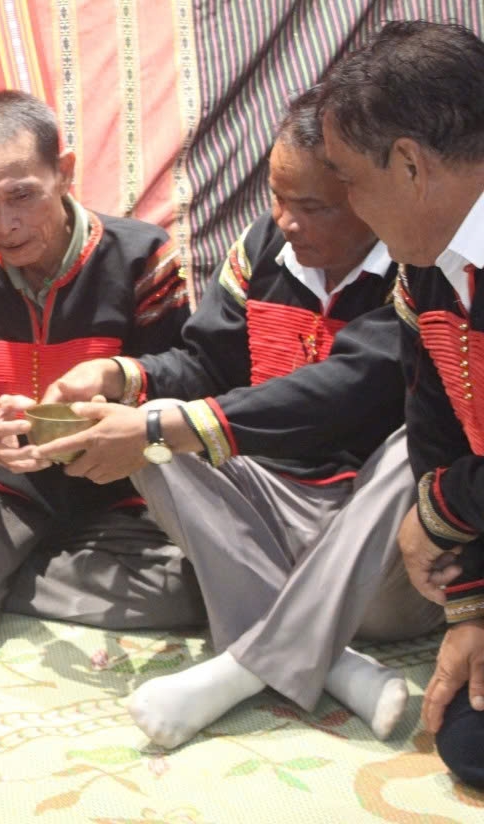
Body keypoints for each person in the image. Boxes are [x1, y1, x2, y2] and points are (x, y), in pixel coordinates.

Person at [36, 87, 442, 748]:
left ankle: (241, 668)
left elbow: (347, 387)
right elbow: (206, 363)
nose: (285, 220)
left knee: (409, 450)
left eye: (311, 206)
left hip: (377, 565)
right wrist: (120, 376)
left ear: (369, 197)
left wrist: (160, 429)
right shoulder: (260, 250)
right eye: (276, 197)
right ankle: (329, 661)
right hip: (270, 526)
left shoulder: (416, 269)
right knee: (157, 420)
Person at [0, 90, 205, 645]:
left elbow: (195, 374)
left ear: (65, 171)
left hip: (111, 484)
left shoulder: (142, 256)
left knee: (195, 591)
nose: (5, 224)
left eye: (22, 195)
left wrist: (120, 375)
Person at [320, 19, 484, 788]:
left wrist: (440, 509)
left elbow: (452, 481)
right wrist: (473, 606)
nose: (348, 204)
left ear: (411, 165)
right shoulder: (428, 267)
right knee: (468, 743)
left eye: (350, 178)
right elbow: (440, 430)